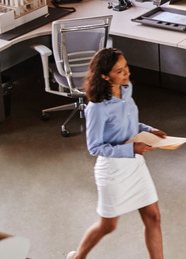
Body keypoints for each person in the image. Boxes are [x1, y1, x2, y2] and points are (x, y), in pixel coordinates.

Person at [68, 48, 166, 259]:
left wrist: (148, 130)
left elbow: (130, 124)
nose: (126, 73)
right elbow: (95, 147)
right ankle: (77, 257)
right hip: (113, 170)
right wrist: (131, 148)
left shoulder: (126, 90)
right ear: (105, 76)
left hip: (135, 165)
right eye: (119, 71)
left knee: (153, 217)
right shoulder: (97, 108)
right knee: (108, 225)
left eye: (126, 67)